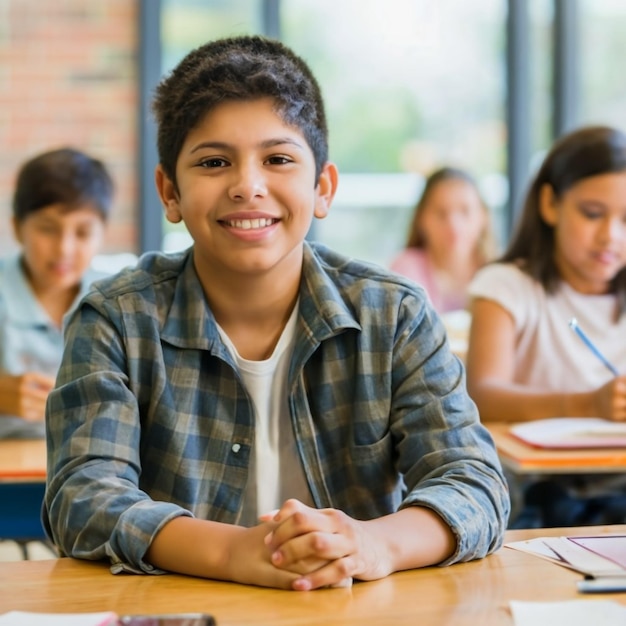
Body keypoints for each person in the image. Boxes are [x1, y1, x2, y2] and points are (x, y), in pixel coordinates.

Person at [43, 35, 509, 591]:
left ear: (323, 188)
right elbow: (83, 497)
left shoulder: (395, 314)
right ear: (169, 191)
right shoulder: (114, 319)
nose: (248, 185)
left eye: (278, 159)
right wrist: (231, 552)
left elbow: (473, 482)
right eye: (214, 162)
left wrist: (372, 544)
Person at [466, 125, 626, 526]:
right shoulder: (506, 286)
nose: (610, 236)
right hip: (534, 492)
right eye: (592, 214)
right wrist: (588, 404)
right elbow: (482, 395)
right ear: (551, 204)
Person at [0, 147, 113, 439]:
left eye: (83, 233)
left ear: (103, 232)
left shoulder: (117, 299)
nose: (64, 249)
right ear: (17, 228)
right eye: (47, 229)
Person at [389, 167, 497, 313]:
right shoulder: (405, 271)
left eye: (465, 211)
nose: (453, 224)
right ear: (421, 218)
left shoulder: (498, 275)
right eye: (441, 213)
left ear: (483, 216)